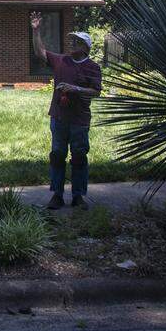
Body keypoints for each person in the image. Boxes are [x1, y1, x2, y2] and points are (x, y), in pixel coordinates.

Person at [30, 12, 101, 210]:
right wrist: (35, 31)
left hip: (79, 120)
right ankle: (57, 195)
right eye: (71, 41)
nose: (72, 44)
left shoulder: (92, 67)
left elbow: (96, 91)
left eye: (77, 42)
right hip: (59, 117)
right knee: (57, 154)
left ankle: (78, 196)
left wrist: (76, 89)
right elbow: (40, 53)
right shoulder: (61, 61)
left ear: (85, 48)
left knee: (79, 156)